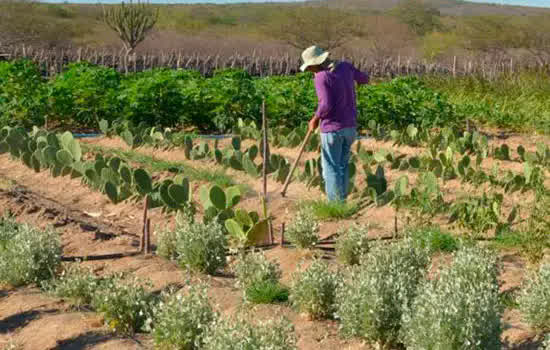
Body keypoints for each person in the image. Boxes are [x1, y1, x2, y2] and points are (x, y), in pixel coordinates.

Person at [300, 45, 369, 202]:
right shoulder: (345, 67)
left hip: (332, 129)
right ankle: (342, 201)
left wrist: (315, 119)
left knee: (331, 168)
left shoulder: (321, 77)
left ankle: (334, 204)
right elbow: (365, 79)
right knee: (343, 166)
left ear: (316, 64)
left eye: (310, 67)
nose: (310, 70)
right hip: (350, 128)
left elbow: (326, 104)